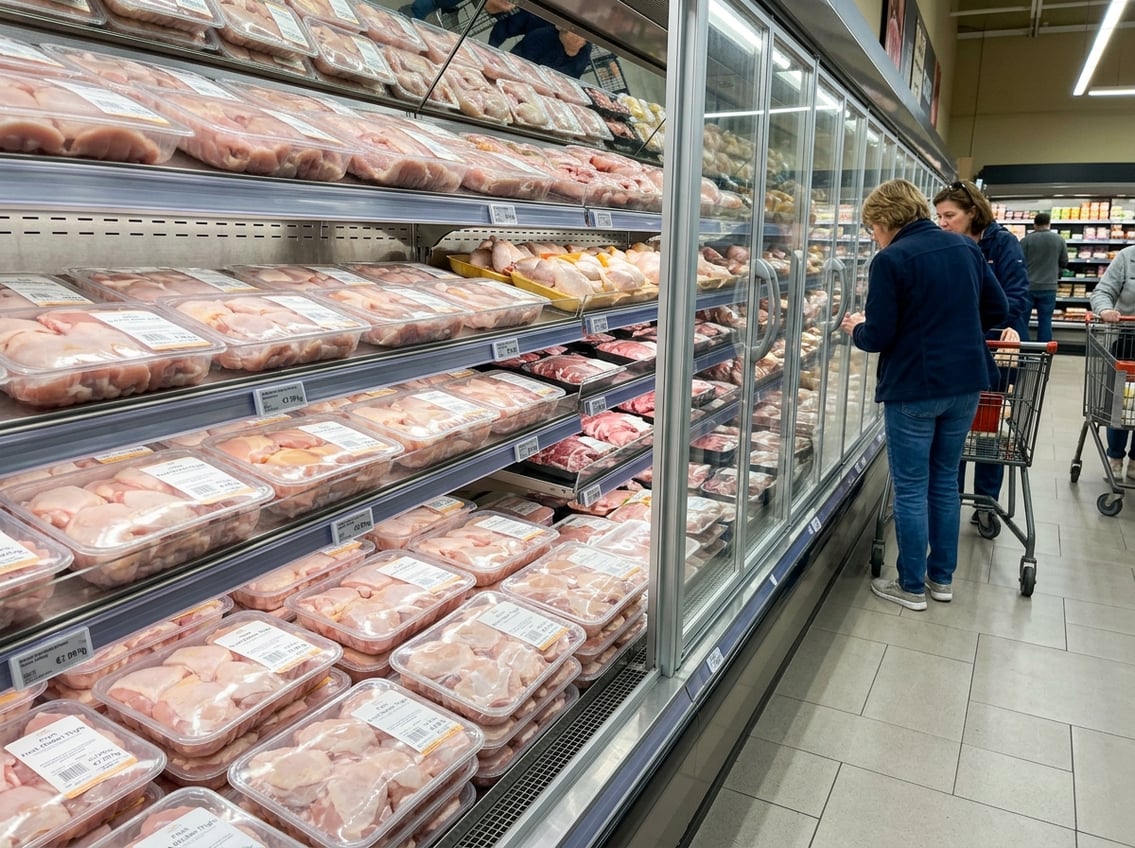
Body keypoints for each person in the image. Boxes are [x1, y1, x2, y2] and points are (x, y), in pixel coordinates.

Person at [841, 179, 1008, 610]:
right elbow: (997, 309)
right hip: (966, 383)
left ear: (884, 221)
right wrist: (955, 324)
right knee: (945, 482)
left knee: (912, 488)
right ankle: (942, 580)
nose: (874, 237)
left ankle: (911, 586)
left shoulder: (891, 259)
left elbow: (878, 335)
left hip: (915, 387)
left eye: (872, 229)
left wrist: (855, 329)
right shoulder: (966, 247)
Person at [933, 180, 1031, 525]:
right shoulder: (945, 244)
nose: (943, 222)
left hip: (996, 347)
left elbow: (1018, 294)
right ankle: (951, 497)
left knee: (988, 429)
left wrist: (997, 321)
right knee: (954, 430)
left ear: (972, 212)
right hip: (957, 348)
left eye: (950, 215)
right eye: (939, 216)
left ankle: (986, 502)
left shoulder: (1002, 243)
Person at [1090, 244, 1135, 479]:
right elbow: (1102, 292)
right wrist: (1105, 309)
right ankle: (1115, 456)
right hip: (1128, 340)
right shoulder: (1127, 257)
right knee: (1123, 404)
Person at [488, 9, 593, 78]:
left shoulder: (584, 49)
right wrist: (490, 49)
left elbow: (568, 81)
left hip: (546, 88)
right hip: (514, 67)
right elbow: (508, 25)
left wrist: (571, 52)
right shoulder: (547, 14)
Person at [1020, 212, 1068, 342]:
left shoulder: (1025, 240)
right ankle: (1044, 351)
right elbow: (1064, 262)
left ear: (1034, 225)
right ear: (1049, 224)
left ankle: (1024, 350)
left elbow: (1019, 262)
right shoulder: (1059, 240)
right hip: (1049, 287)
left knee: (1022, 321)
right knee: (1045, 320)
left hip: (1028, 287)